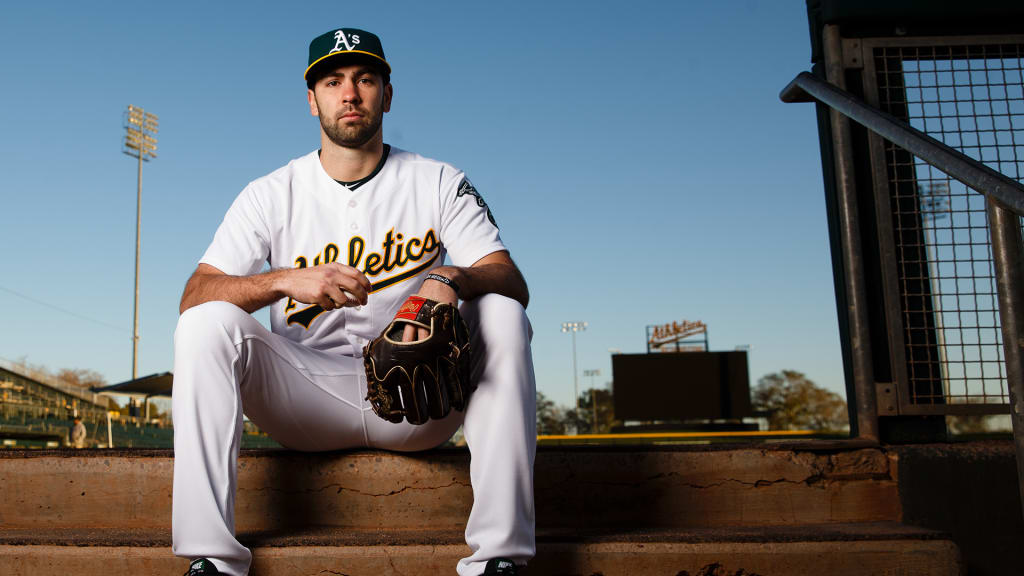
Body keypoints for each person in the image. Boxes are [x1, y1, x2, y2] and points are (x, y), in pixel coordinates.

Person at [172, 27, 536, 576]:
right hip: (305, 398)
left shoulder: (437, 180)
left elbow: (510, 278)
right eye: (333, 80)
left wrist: (450, 277)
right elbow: (195, 295)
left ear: (387, 95)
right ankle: (213, 562)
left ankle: (500, 559)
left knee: (503, 312)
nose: (350, 93)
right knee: (205, 326)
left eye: (365, 79)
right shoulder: (270, 193)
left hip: (417, 402)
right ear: (311, 99)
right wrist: (282, 280)